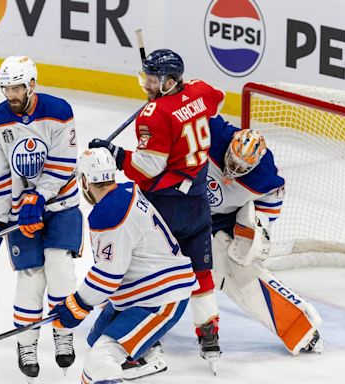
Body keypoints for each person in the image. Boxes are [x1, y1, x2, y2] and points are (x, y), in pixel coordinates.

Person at [89, 49, 225, 374]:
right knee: (200, 271)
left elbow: (147, 168)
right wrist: (181, 102)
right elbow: (216, 100)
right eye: (146, 77)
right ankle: (209, 334)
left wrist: (115, 153)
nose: (147, 83)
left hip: (166, 206)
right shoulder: (200, 90)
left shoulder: (152, 114)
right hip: (197, 201)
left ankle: (145, 337)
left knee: (144, 269)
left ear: (170, 80)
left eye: (153, 79)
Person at [0, 56, 83, 381]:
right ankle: (27, 343)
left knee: (60, 269)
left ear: (31, 84)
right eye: (6, 88)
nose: (11, 94)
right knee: (31, 278)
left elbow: (63, 164)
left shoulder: (59, 111)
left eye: (16, 87)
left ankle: (63, 335)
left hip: (62, 207)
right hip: (22, 215)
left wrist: (40, 195)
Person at [49, 147, 197, 384]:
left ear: (85, 181)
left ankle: (145, 351)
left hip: (159, 299)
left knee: (99, 359)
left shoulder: (109, 213)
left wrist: (77, 303)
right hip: (144, 289)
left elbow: (108, 275)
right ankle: (144, 352)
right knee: (94, 339)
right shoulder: (127, 190)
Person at [207, 115, 325, 355]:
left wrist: (251, 229)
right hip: (179, 209)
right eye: (233, 161)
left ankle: (299, 328)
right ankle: (124, 317)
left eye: (243, 167)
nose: (234, 169)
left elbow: (268, 207)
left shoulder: (265, 176)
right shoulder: (212, 134)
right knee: (153, 262)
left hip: (219, 225)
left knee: (241, 272)